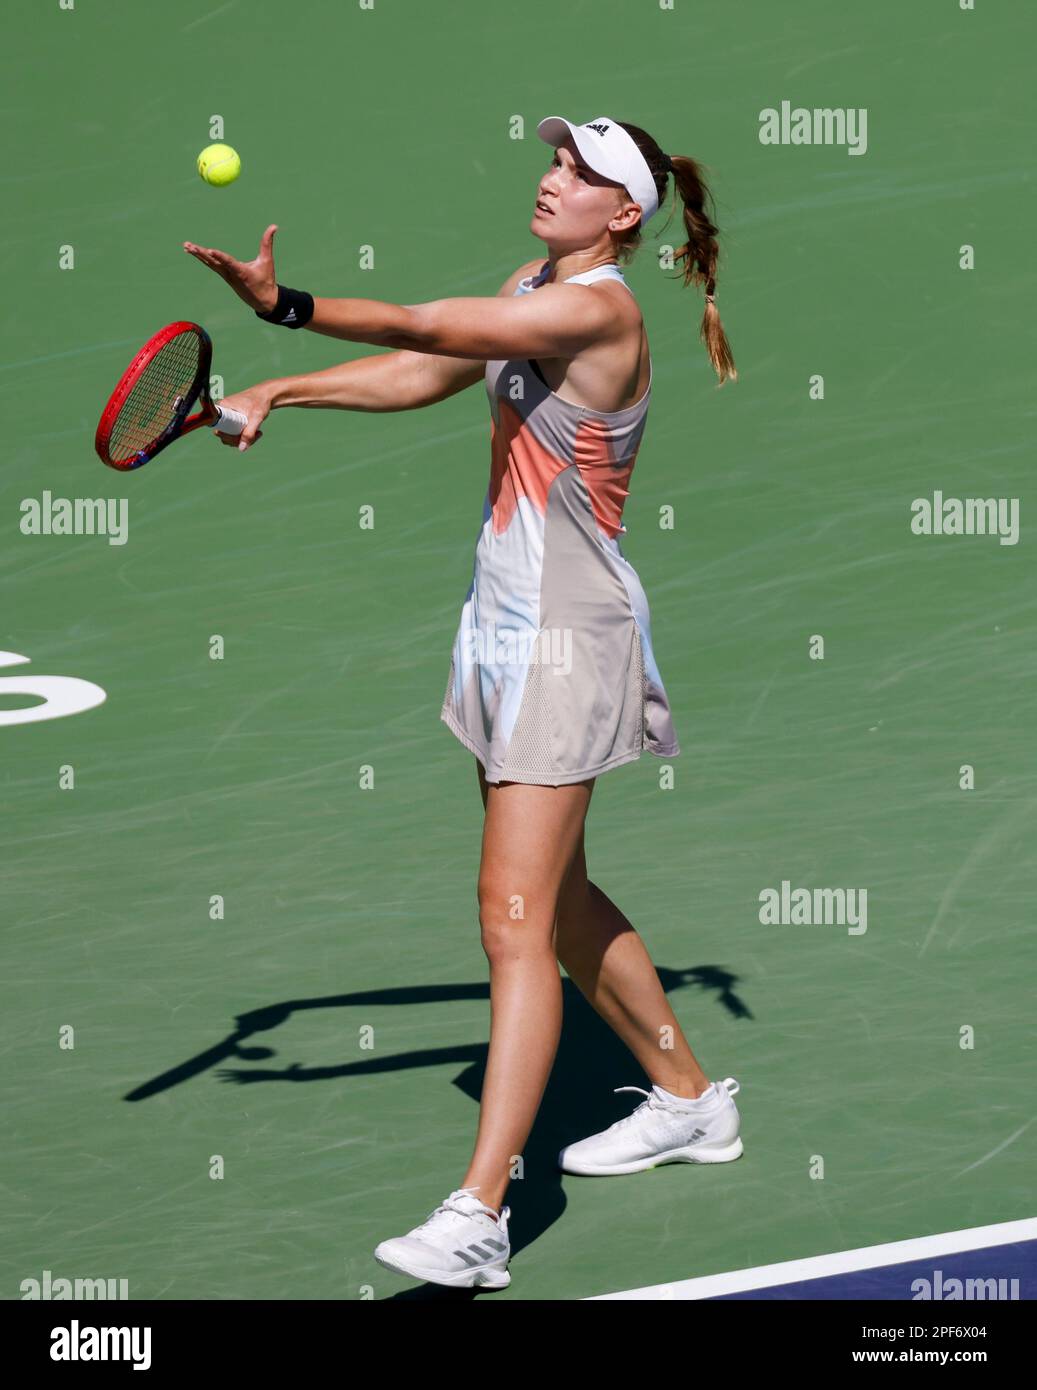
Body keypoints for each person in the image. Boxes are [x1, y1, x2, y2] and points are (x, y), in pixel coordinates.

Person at [184, 115, 742, 1294]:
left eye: (580, 174)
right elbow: (428, 366)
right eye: (553, 161)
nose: (551, 180)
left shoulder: (600, 310)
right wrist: (285, 387)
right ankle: (689, 1098)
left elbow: (429, 323)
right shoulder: (538, 283)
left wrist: (289, 308)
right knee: (561, 897)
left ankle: (479, 1211)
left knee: (513, 917)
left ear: (623, 214)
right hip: (500, 625)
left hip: (561, 640)